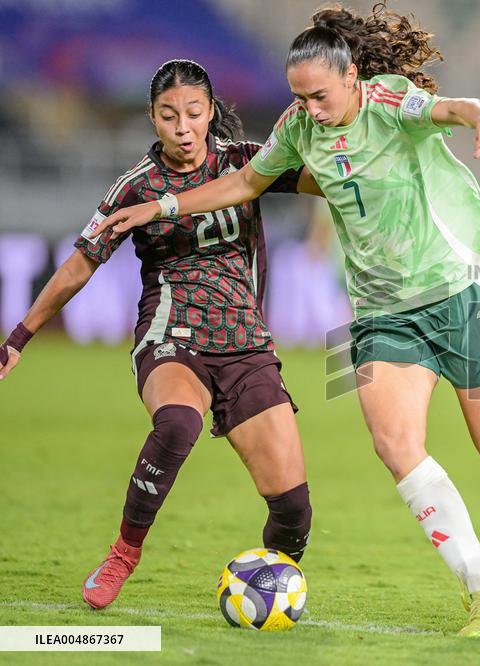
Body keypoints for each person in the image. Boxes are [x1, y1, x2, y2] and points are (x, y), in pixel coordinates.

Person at [91, 3, 480, 637]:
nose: (309, 109)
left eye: (319, 95)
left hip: (457, 291)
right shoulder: (298, 127)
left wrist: (471, 110)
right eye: (298, 97)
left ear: (354, 78)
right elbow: (244, 185)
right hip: (382, 312)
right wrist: (165, 206)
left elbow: (439, 109)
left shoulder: (390, 99)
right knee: (395, 445)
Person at [0, 59, 321, 611]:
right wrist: (20, 336)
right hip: (172, 334)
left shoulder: (247, 164)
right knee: (176, 423)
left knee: (293, 514)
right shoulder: (135, 187)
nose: (183, 126)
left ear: (211, 113)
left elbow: (327, 181)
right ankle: (124, 553)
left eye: (194, 113)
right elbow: (80, 264)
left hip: (246, 345)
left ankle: (267, 593)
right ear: (153, 117)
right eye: (169, 115)